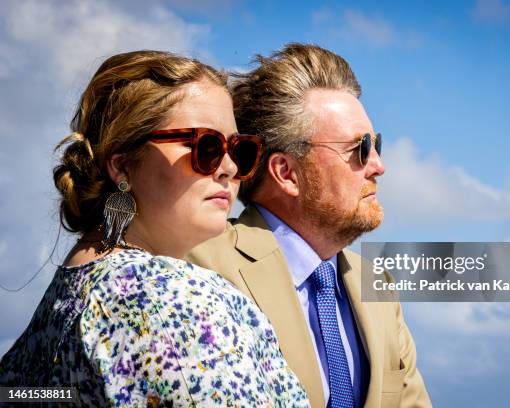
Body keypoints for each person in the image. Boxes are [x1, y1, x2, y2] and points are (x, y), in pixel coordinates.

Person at [0, 50, 309, 407]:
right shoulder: (176, 298)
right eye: (204, 146)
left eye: (239, 150)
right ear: (123, 165)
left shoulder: (54, 312)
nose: (227, 167)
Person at [188, 44, 432, 407]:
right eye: (360, 148)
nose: (378, 165)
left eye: (376, 143)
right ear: (286, 173)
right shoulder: (199, 267)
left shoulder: (377, 287)